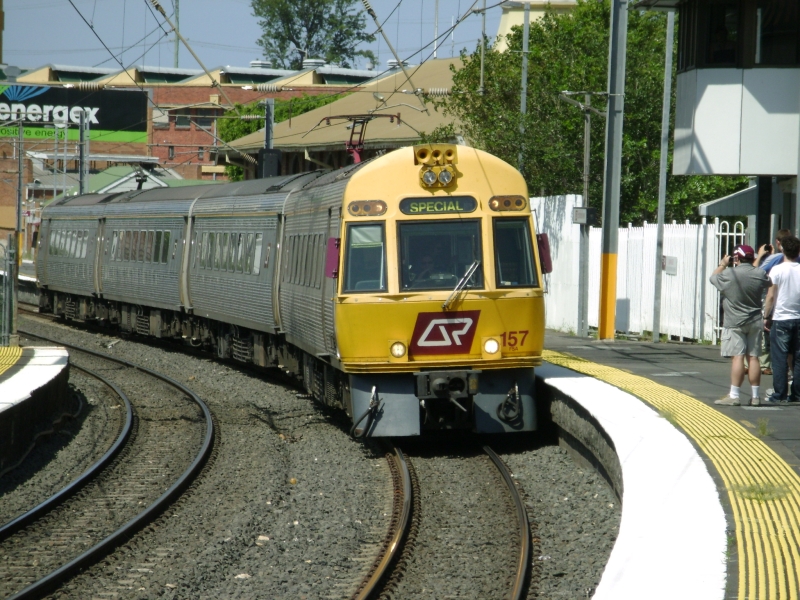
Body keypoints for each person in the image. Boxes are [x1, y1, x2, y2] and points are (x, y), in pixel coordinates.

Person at [710, 244, 771, 406]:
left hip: (734, 322)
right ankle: (756, 396)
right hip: (755, 321)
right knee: (754, 357)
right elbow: (767, 282)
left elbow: (713, 278)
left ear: (736, 257)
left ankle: (735, 395)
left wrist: (723, 264)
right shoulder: (760, 274)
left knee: (737, 357)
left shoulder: (729, 273)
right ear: (752, 257)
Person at [763, 235, 800, 403]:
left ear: (782, 250)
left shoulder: (777, 270)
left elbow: (771, 296)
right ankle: (797, 393)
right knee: (798, 358)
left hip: (781, 317)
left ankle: (780, 394)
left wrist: (766, 316)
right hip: (798, 316)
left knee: (779, 358)